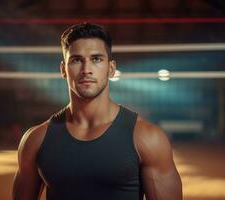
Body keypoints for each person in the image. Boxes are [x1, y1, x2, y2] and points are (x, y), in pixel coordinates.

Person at [12, 22, 182, 200]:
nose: (86, 70)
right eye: (77, 60)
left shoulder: (147, 138)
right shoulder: (35, 140)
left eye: (96, 59)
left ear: (111, 68)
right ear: (63, 69)